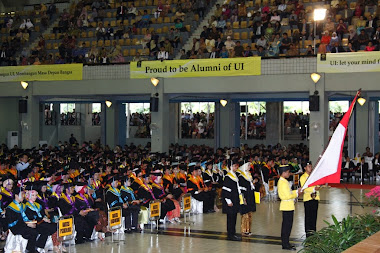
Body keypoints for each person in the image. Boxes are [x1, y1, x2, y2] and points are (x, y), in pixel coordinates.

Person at [278, 165, 302, 251]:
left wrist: (296, 191)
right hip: (286, 206)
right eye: (288, 172)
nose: (289, 174)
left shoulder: (284, 181)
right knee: (286, 226)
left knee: (288, 225)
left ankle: (286, 242)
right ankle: (285, 244)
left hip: (289, 206)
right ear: (283, 173)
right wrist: (296, 193)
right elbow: (287, 195)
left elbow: (289, 193)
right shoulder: (282, 182)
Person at [222, 160, 242, 241]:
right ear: (230, 167)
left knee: (234, 217)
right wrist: (228, 201)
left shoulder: (234, 175)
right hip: (230, 200)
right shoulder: (228, 177)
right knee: (230, 218)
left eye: (236, 166)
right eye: (234, 166)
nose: (236, 167)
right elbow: (225, 190)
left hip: (235, 199)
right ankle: (230, 235)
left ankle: (233, 233)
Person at [300, 161, 320, 237]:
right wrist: (314, 188)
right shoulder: (303, 177)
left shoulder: (313, 176)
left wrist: (318, 187)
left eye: (311, 166)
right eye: (308, 167)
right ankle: (308, 234)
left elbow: (318, 183)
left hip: (315, 198)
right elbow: (304, 188)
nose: (310, 168)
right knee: (308, 217)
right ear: (305, 168)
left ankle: (314, 232)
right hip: (308, 198)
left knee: (314, 216)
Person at [238, 162, 256, 236]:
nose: (249, 167)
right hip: (245, 196)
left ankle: (248, 229)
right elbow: (241, 189)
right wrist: (243, 198)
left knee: (250, 213)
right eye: (248, 165)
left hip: (250, 196)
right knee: (245, 214)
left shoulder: (249, 175)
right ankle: (244, 230)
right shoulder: (241, 177)